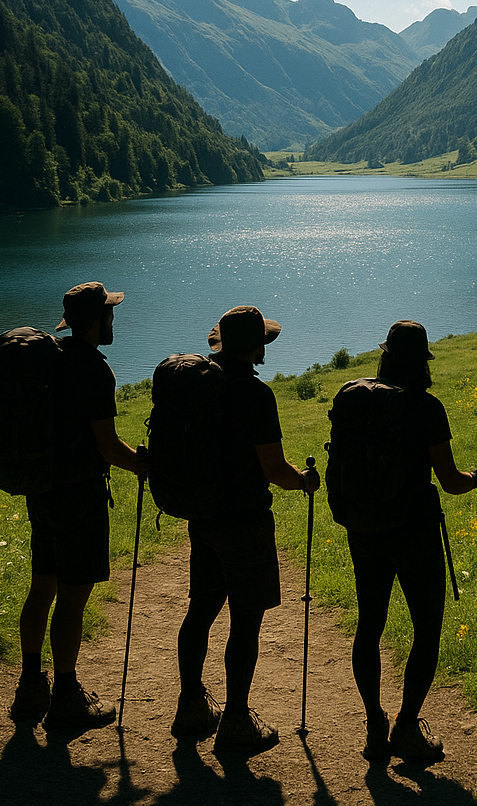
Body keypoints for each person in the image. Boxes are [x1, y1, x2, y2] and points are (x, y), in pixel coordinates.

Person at [341, 320, 477, 764]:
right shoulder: (427, 408)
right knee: (426, 629)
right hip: (414, 532)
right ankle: (407, 726)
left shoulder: (354, 398)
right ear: (423, 361)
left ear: (385, 355)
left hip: (364, 530)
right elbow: (449, 481)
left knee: (369, 625)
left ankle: (374, 721)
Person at [170, 305, 318, 753]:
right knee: (246, 619)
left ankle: (191, 704)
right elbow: (273, 468)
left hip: (205, 517)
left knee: (200, 610)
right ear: (257, 347)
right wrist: (303, 481)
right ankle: (236, 720)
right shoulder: (255, 395)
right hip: (246, 521)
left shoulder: (200, 385)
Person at [9, 281, 147, 731]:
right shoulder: (93, 369)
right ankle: (67, 696)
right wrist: (143, 466)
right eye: (109, 314)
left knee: (41, 588)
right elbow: (107, 447)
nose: (114, 320)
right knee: (71, 600)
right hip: (79, 497)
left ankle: (31, 687)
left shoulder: (51, 360)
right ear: (95, 320)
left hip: (43, 491)